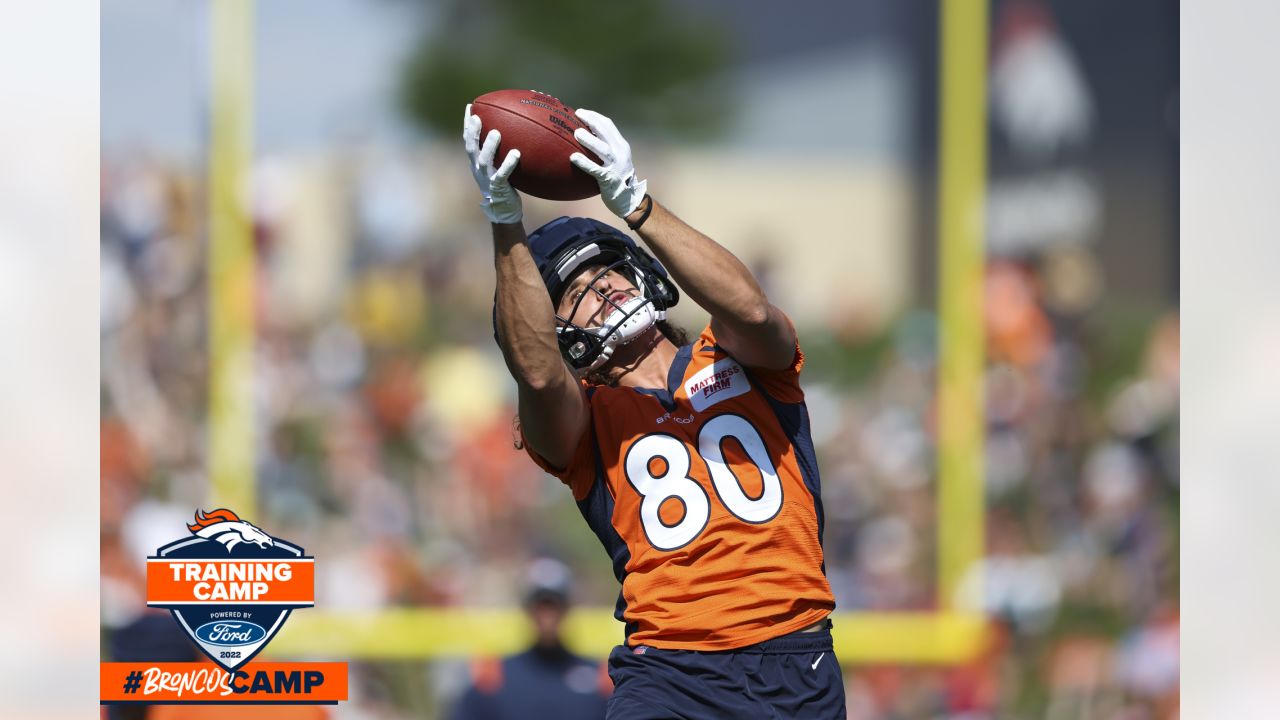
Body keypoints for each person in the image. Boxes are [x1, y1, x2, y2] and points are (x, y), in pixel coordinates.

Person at [463, 102, 846, 719]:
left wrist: (635, 201)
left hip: (794, 659)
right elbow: (536, 372)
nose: (604, 288)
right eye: (577, 293)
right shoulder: (585, 420)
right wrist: (505, 223)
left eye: (608, 270)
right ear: (558, 333)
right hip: (670, 671)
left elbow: (753, 312)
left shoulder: (736, 356)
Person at [448, 559, 610, 720]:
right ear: (527, 609)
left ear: (567, 608)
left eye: (554, 604)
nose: (547, 615)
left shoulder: (601, 678)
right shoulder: (494, 675)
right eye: (540, 605)